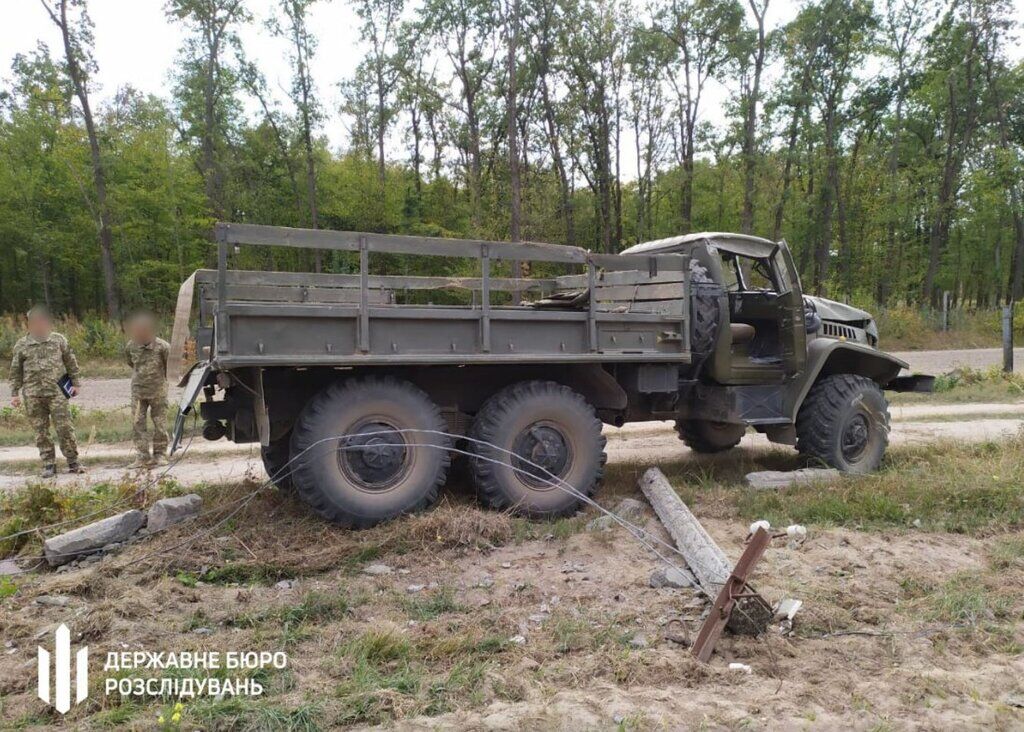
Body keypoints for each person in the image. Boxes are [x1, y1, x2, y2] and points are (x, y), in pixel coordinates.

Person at [9, 306, 84, 478]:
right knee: (41, 431)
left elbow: (71, 362)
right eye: (35, 321)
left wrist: (76, 383)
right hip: (33, 394)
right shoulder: (22, 345)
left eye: (42, 320)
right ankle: (48, 464)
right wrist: (14, 393)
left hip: (57, 392)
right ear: (29, 324)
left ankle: (73, 462)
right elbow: (15, 371)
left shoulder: (58, 340)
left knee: (65, 428)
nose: (39, 324)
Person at [124, 312, 170, 469]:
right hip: (138, 393)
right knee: (137, 424)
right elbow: (131, 362)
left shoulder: (162, 347)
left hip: (158, 392)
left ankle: (160, 455)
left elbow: (169, 367)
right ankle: (143, 457)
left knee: (160, 424)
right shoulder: (131, 346)